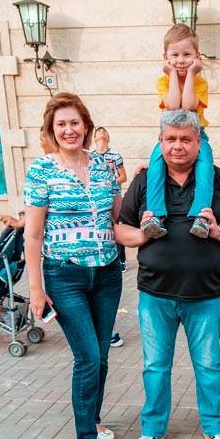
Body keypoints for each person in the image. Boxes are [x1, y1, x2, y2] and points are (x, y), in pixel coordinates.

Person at [116, 109, 220, 439]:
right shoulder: (145, 181)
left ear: (198, 143)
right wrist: (142, 235)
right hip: (155, 294)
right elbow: (121, 228)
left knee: (209, 366)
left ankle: (214, 426)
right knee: (155, 367)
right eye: (171, 139)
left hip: (203, 295)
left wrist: (218, 230)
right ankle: (153, 428)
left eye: (186, 139)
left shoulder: (217, 179)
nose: (178, 146)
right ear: (160, 142)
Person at [23, 92, 123, 439]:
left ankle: (93, 419)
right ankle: (85, 436)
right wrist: (36, 289)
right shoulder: (41, 170)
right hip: (64, 275)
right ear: (52, 130)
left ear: (86, 127)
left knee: (101, 355)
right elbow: (33, 234)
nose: (69, 130)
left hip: (107, 272)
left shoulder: (104, 166)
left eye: (75, 123)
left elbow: (118, 217)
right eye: (61, 124)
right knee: (88, 356)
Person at [142, 24, 215, 241]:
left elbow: (189, 106)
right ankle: (155, 215)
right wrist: (172, 74)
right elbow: (173, 105)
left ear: (197, 56)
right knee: (155, 166)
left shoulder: (200, 81)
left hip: (196, 137)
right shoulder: (163, 81)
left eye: (187, 55)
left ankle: (201, 216)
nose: (181, 60)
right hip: (169, 137)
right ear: (165, 57)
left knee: (205, 166)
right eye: (174, 55)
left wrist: (191, 74)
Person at [92, 126, 129, 348]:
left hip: (112, 198)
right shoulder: (89, 157)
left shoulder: (114, 155)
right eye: (99, 131)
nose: (101, 133)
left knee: (116, 229)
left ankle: (120, 260)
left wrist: (110, 181)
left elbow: (123, 176)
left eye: (104, 131)